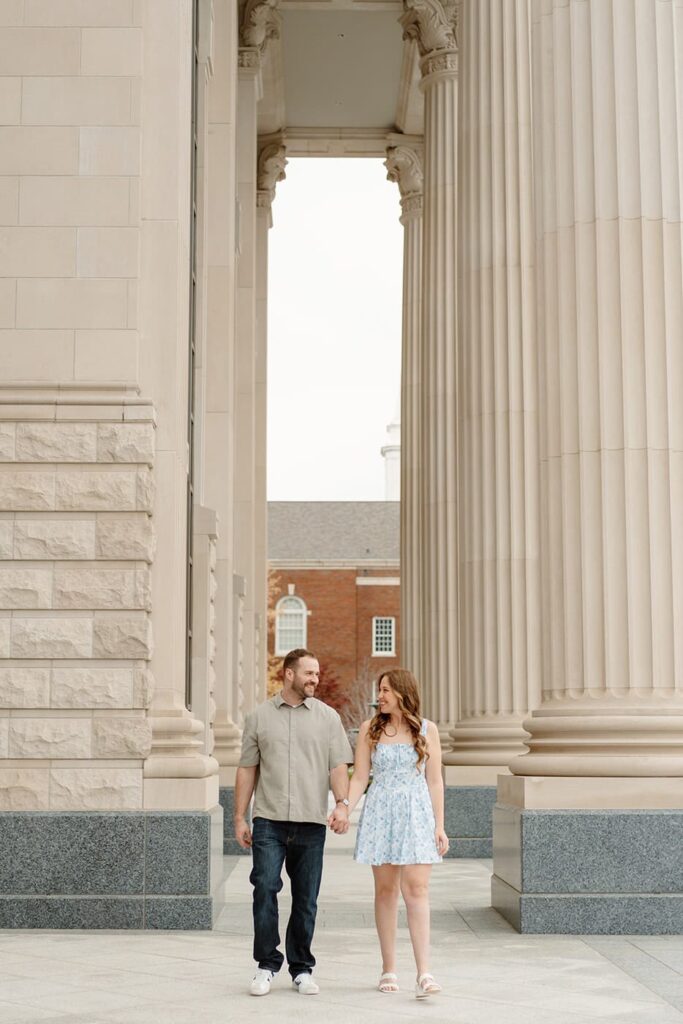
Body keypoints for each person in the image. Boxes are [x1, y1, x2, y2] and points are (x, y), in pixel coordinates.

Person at [234, 647, 353, 997]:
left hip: (311, 822)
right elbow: (247, 768)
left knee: (306, 899)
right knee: (265, 888)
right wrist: (240, 816)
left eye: (317, 673)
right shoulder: (258, 717)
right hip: (268, 820)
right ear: (289, 674)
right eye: (309, 673)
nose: (315, 679)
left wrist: (342, 804)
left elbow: (337, 766)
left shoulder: (328, 718)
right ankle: (267, 964)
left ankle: (302, 968)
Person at [344, 668, 449, 999]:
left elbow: (435, 781)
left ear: (403, 692)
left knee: (417, 889)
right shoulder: (369, 730)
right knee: (386, 891)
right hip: (381, 813)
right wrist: (345, 807)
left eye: (386, 689)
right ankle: (388, 968)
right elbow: (360, 777)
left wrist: (439, 824)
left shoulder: (427, 730)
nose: (381, 696)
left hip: (416, 813)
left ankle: (424, 973)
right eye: (379, 690)